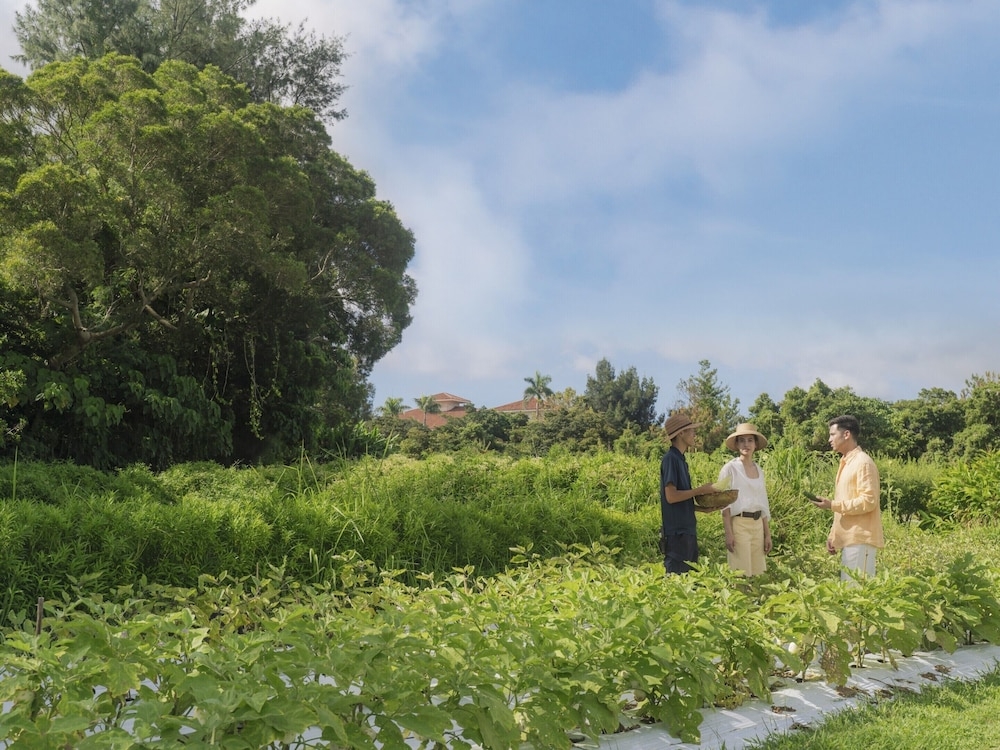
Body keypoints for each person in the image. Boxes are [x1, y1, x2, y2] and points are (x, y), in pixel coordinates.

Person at [809, 414, 884, 584]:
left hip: (860, 539)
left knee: (857, 594)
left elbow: (868, 501)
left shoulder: (862, 463)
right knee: (849, 592)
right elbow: (845, 502)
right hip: (850, 540)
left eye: (832, 434)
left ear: (847, 434)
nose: (829, 439)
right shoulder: (846, 463)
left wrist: (832, 505)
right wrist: (834, 535)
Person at [659, 413, 719, 574]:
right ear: (681, 434)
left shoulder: (681, 460)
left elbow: (679, 500)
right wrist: (701, 490)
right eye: (691, 431)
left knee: (690, 587)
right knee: (678, 588)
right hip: (677, 536)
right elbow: (671, 497)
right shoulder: (670, 459)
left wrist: (701, 509)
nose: (694, 434)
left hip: (687, 533)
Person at [718, 423, 773, 576]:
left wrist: (767, 535)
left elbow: (762, 504)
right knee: (740, 574)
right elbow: (724, 505)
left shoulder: (759, 470)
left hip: (758, 526)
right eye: (742, 440)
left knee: (758, 575)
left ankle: (757, 601)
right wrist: (729, 533)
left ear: (755, 444)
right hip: (739, 525)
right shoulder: (730, 469)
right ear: (736, 444)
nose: (746, 444)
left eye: (750, 440)